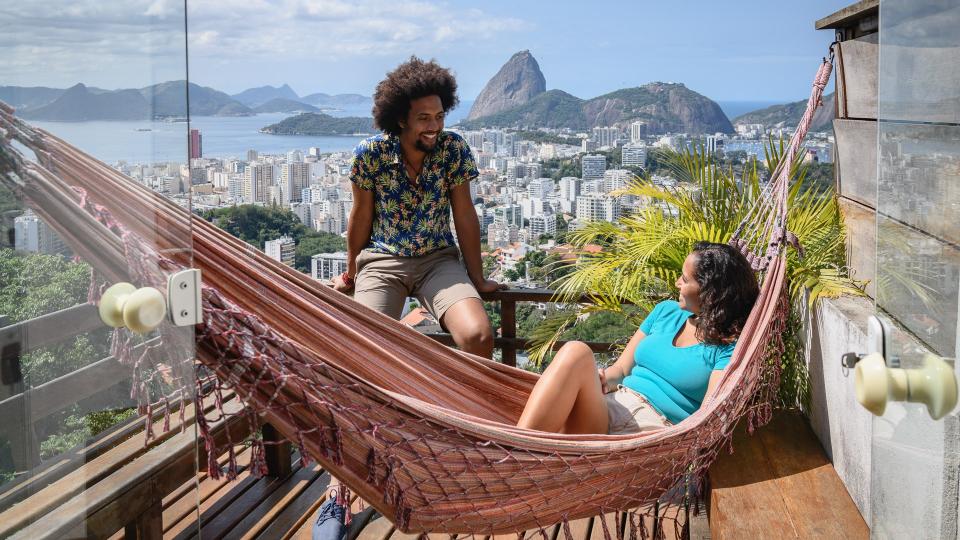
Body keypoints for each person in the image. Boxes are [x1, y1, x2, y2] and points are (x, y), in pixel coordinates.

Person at [333, 56, 502, 358]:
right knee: (364, 344)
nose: (434, 126)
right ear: (401, 119)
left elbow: (464, 213)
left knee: (479, 335)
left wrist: (477, 277)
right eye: (424, 118)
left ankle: (469, 405)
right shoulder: (371, 154)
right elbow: (361, 216)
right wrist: (349, 274)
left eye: (439, 116)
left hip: (437, 260)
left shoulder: (453, 149)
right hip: (382, 262)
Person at [516, 242, 759, 434]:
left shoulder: (728, 348)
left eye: (685, 279)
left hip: (644, 433)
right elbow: (621, 369)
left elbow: (708, 415)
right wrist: (600, 378)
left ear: (710, 293)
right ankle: (517, 449)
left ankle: (516, 454)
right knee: (576, 354)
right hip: (613, 405)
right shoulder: (666, 311)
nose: (677, 283)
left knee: (576, 351)